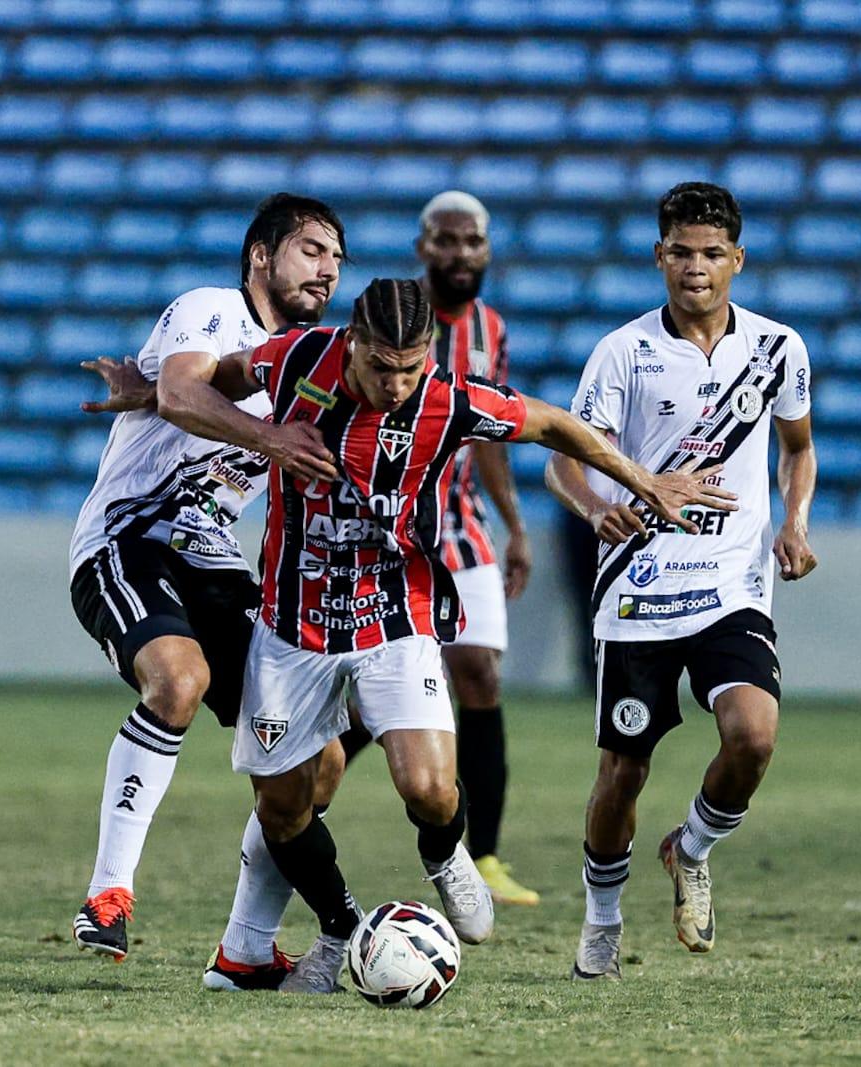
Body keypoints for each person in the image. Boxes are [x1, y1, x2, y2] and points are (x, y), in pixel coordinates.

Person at [155, 277, 735, 993]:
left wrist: (642, 481)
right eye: (380, 367)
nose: (396, 384)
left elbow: (552, 424)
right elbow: (215, 378)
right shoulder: (298, 358)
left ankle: (444, 851)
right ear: (352, 343)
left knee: (428, 786)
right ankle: (340, 932)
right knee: (281, 806)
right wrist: (179, 401)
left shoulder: (450, 398)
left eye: (411, 366)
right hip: (291, 620)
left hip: (394, 611)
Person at [67, 194, 352, 991]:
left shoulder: (311, 365)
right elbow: (186, 394)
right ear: (261, 255)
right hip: (129, 537)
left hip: (214, 562)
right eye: (310, 250)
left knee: (318, 762)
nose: (326, 269)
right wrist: (268, 436)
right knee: (179, 678)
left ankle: (243, 951)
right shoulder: (211, 310)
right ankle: (108, 893)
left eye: (336, 258)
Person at [545, 182, 819, 981]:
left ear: (738, 259)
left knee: (754, 735)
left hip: (732, 581)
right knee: (623, 771)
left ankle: (690, 846)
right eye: (680, 253)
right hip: (641, 586)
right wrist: (597, 507)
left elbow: (797, 447)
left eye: (710, 254)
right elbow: (566, 458)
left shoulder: (777, 350)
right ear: (657, 255)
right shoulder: (623, 353)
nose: (695, 268)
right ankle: (601, 920)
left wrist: (795, 521)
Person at [413, 190, 539, 905]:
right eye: (447, 240)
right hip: (395, 526)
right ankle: (303, 795)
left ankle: (484, 855)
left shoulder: (490, 329)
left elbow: (492, 432)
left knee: (480, 675)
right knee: (378, 698)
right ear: (423, 248)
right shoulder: (396, 318)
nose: (461, 253)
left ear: (487, 250)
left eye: (473, 242)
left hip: (463, 526)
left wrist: (514, 524)